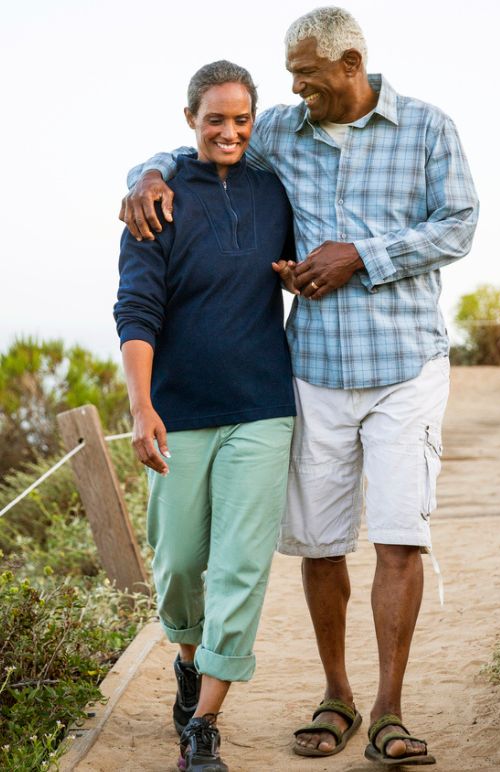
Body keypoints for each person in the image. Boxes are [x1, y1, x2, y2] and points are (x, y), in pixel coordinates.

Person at [120, 7, 479, 767]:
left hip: (405, 365)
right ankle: (336, 695)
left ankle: (387, 710)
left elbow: (459, 224)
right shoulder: (283, 130)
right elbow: (205, 137)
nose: (295, 88)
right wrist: (142, 174)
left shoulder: (425, 127)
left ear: (349, 63)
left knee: (396, 537)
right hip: (312, 368)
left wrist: (362, 254)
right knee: (318, 547)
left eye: (306, 75)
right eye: (289, 77)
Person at [114, 60, 298, 772]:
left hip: (262, 405)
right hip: (179, 411)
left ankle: (204, 725)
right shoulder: (154, 199)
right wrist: (141, 406)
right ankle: (187, 665)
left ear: (255, 120)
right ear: (189, 118)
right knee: (183, 562)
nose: (229, 131)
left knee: (240, 567)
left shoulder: (274, 190)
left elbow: (299, 260)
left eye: (241, 118)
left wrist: (299, 275)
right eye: (215, 118)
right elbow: (137, 308)